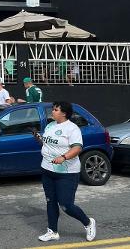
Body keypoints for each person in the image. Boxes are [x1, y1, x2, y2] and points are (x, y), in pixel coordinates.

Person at [32, 101, 96, 242]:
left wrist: (63, 157)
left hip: (67, 173)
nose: (52, 112)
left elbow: (77, 148)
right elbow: (49, 143)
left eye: (55, 110)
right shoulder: (50, 125)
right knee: (50, 201)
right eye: (53, 109)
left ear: (64, 113)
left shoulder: (72, 129)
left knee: (66, 205)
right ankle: (52, 231)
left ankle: (88, 223)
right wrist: (40, 140)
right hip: (47, 169)